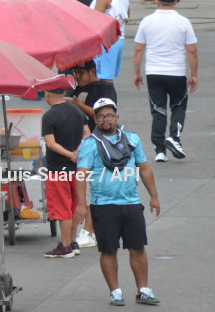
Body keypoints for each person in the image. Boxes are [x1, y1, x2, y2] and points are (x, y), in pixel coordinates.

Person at [74, 98, 161, 306]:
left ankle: (143, 290)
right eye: (101, 116)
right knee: (108, 250)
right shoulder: (89, 144)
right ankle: (115, 292)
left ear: (117, 117)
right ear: (95, 119)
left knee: (137, 248)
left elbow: (144, 168)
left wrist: (154, 196)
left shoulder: (132, 139)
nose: (105, 120)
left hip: (131, 203)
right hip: (103, 205)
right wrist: (81, 205)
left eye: (109, 116)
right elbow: (81, 175)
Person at [133, 0, 198, 162]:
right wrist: (194, 74)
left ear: (157, 1)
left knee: (158, 110)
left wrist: (136, 73)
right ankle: (174, 137)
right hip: (176, 72)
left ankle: (159, 151)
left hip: (154, 72)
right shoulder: (183, 22)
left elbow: (139, 49)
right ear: (175, 1)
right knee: (178, 106)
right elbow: (192, 51)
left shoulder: (147, 21)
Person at [68, 60, 117, 249]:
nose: (77, 76)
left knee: (94, 188)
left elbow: (103, 116)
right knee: (85, 188)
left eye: (81, 72)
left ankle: (89, 232)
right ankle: (88, 231)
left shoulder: (105, 88)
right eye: (75, 72)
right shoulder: (77, 89)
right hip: (80, 143)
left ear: (92, 71)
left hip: (100, 142)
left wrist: (78, 105)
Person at [41, 88, 88, 259]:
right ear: (63, 94)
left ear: (47, 94)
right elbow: (87, 134)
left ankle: (65, 246)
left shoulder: (49, 116)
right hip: (76, 169)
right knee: (74, 205)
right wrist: (76, 152)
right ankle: (73, 242)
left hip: (57, 169)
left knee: (62, 208)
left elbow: (50, 143)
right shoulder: (77, 111)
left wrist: (69, 154)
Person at [90, 0, 130, 82]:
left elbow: (95, 20)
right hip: (119, 39)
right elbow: (128, 15)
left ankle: (107, 95)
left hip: (106, 43)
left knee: (103, 80)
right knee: (107, 78)